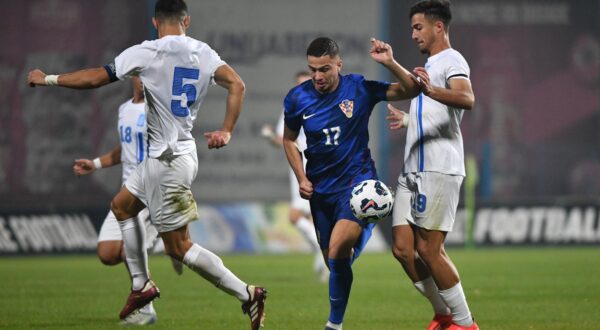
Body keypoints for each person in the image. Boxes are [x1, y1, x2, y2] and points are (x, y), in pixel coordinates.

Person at [27, 1, 267, 329]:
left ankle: (247, 294)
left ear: (156, 22)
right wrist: (226, 130)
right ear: (187, 20)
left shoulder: (147, 52)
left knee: (179, 247)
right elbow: (237, 85)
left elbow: (96, 78)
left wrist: (48, 79)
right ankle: (141, 285)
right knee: (122, 206)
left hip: (168, 162)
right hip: (172, 155)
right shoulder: (204, 52)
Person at [282, 36, 421, 330]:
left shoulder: (357, 88)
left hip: (356, 182)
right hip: (321, 190)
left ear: (339, 65)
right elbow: (289, 139)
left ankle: (334, 325)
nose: (318, 76)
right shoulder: (297, 98)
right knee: (335, 261)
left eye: (324, 69)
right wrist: (301, 177)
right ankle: (363, 232)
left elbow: (410, 88)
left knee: (336, 252)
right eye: (313, 70)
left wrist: (390, 62)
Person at [386, 1, 478, 329]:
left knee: (430, 250)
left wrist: (431, 89)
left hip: (438, 168)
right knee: (402, 249)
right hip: (412, 171)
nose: (413, 34)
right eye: (412, 28)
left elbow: (467, 98)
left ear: (438, 27)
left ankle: (465, 324)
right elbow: (435, 115)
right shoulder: (429, 65)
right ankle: (443, 313)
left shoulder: (452, 60)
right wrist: (410, 118)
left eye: (418, 27)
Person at [72, 76, 183, 324]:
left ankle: (146, 308)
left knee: (126, 251)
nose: (146, 80)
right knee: (107, 253)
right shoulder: (124, 109)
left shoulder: (158, 108)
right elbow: (125, 148)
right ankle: (167, 240)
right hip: (126, 193)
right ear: (132, 76)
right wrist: (96, 163)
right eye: (141, 75)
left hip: (150, 191)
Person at [261, 70, 329, 283]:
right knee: (313, 216)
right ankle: (326, 252)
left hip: (307, 163)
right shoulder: (322, 103)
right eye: (300, 84)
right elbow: (285, 139)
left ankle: (324, 250)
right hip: (319, 162)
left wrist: (270, 134)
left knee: (295, 216)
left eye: (306, 83)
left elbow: (282, 139)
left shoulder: (298, 104)